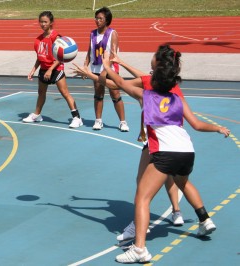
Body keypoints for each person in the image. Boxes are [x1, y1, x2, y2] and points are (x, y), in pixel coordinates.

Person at [74, 45, 230, 263]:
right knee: (183, 183)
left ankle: (139, 248)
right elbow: (196, 124)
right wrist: (218, 128)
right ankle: (202, 219)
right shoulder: (177, 97)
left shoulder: (146, 94)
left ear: (153, 78)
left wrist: (106, 65)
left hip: (165, 152)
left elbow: (118, 83)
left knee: (142, 197)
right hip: (187, 151)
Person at [106, 54, 185, 241]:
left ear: (158, 65)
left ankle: (139, 229)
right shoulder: (170, 84)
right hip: (177, 141)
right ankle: (186, 214)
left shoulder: (149, 88)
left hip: (156, 141)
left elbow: (118, 84)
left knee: (142, 188)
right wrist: (123, 62)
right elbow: (142, 76)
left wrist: (101, 71)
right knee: (175, 180)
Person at [23, 11, 83, 128]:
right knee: (41, 93)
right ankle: (37, 115)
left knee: (65, 93)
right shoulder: (38, 40)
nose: (43, 24)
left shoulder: (57, 37)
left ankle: (77, 118)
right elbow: (40, 57)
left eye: (45, 22)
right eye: (41, 22)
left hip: (56, 69)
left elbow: (61, 57)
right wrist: (33, 70)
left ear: (51, 23)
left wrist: (50, 70)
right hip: (43, 69)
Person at [83, 7, 129, 131]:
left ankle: (123, 122)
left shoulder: (112, 33)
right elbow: (89, 51)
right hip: (95, 68)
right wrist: (85, 66)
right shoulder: (92, 33)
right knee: (98, 94)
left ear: (107, 20)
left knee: (115, 93)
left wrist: (105, 70)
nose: (97, 20)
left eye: (100, 18)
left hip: (110, 69)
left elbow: (113, 55)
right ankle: (98, 120)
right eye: (96, 18)